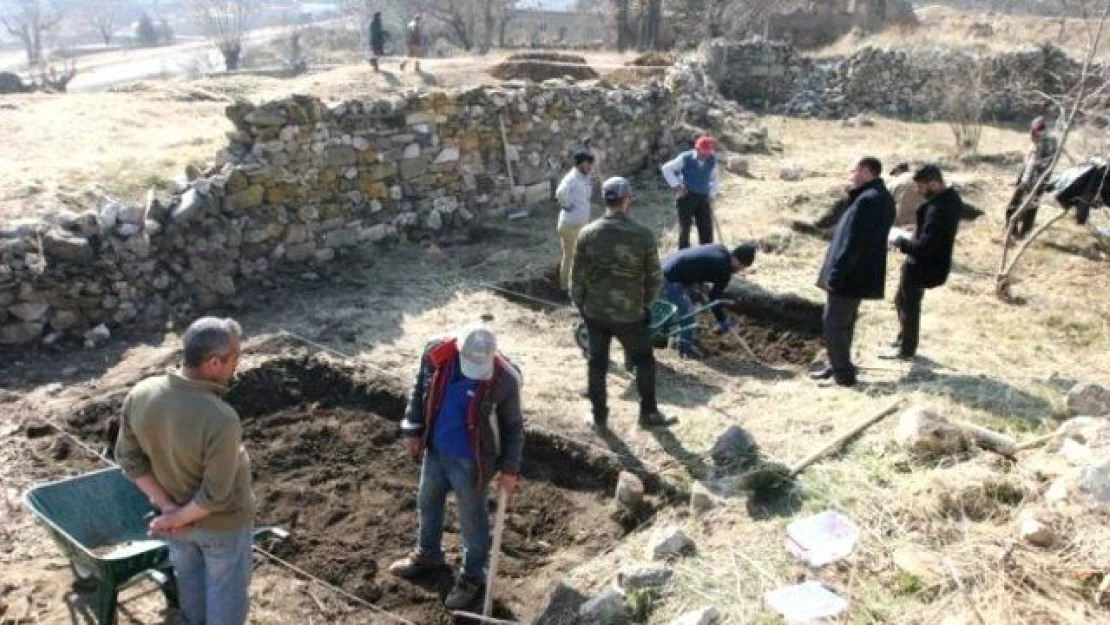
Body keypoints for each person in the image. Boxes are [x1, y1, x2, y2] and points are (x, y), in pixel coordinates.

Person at [115, 317, 253, 625]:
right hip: (222, 527)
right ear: (214, 362)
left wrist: (168, 511)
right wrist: (175, 518)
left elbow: (128, 458)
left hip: (176, 523)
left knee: (191, 587)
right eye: (235, 359)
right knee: (226, 599)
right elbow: (215, 495)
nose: (236, 368)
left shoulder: (142, 393)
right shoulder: (221, 418)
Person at [388, 325, 524, 611]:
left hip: (472, 461)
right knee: (427, 501)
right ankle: (428, 554)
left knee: (472, 520)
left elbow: (513, 428)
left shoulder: (505, 380)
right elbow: (418, 389)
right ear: (459, 349)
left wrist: (509, 470)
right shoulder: (437, 354)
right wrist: (413, 429)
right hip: (436, 450)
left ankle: (473, 575)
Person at [571, 176, 673, 430]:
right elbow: (654, 278)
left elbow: (576, 276)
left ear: (604, 199)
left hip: (595, 311)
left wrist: (581, 305)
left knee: (597, 364)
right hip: (629, 314)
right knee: (643, 361)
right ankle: (648, 414)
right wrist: (646, 305)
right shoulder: (643, 235)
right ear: (627, 199)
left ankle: (598, 417)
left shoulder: (588, 233)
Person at [811, 157, 896, 387]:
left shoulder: (869, 200)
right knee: (844, 323)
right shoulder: (880, 198)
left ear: (867, 171)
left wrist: (836, 274)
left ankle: (844, 376)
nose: (851, 175)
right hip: (858, 273)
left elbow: (854, 243)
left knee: (833, 324)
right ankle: (837, 364)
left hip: (850, 274)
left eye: (855, 171)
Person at [884, 165, 963, 361]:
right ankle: (904, 338)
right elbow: (933, 232)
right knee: (900, 300)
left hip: (922, 266)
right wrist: (917, 229)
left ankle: (906, 350)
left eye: (920, 187)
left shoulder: (938, 209)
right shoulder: (950, 199)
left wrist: (901, 242)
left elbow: (926, 245)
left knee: (910, 306)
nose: (917, 191)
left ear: (934, 184)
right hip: (925, 263)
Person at [660, 243, 756, 358]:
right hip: (669, 276)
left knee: (687, 303)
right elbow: (715, 298)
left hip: (664, 265)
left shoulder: (719, 249)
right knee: (687, 313)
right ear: (735, 258)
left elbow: (698, 266)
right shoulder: (723, 268)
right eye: (740, 265)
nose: (740, 269)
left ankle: (677, 341)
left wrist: (698, 288)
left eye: (743, 267)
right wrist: (722, 319)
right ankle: (683, 350)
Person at [660, 135, 721, 249]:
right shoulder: (685, 158)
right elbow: (666, 169)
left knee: (706, 228)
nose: (705, 156)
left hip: (703, 197)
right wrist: (677, 187)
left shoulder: (712, 160)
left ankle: (706, 255)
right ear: (697, 149)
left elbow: (715, 179)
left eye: (707, 153)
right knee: (685, 229)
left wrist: (712, 195)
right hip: (686, 197)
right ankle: (683, 256)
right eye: (703, 153)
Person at [1006, 116, 1058, 240]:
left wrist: (1033, 183)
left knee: (1022, 210)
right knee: (1019, 209)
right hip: (1029, 182)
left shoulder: (1047, 142)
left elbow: (1044, 165)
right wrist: (1019, 179)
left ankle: (1019, 236)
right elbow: (1027, 164)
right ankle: (1016, 234)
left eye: (1035, 130)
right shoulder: (1037, 143)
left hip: (1034, 184)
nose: (1032, 133)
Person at [555, 149, 596, 293]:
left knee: (582, 256)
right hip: (570, 225)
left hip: (582, 224)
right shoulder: (571, 178)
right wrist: (567, 206)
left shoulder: (585, 177)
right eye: (588, 163)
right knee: (569, 256)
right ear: (580, 163)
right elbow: (560, 193)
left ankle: (579, 285)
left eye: (591, 163)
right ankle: (565, 288)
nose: (590, 166)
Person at [888, 162, 925, 228]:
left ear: (898, 170)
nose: (895, 176)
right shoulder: (917, 178)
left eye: (894, 173)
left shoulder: (894, 182)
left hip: (900, 223)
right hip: (919, 223)